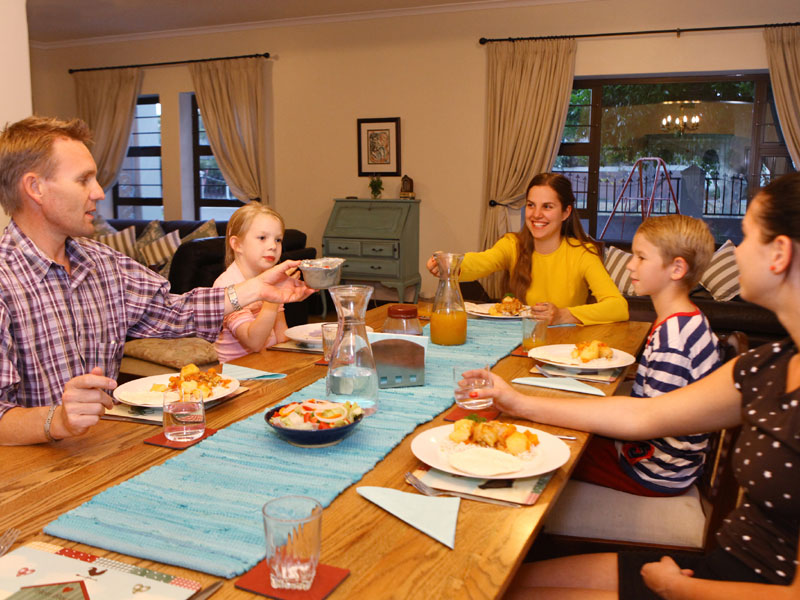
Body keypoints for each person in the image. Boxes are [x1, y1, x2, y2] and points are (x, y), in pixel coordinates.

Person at [467, 172, 800, 598]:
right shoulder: (767, 365)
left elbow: (644, 424)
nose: (734, 252)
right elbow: (645, 413)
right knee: (504, 584)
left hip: (703, 568)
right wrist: (518, 400)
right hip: (718, 560)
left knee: (541, 460)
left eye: (747, 236)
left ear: (780, 254)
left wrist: (677, 589)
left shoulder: (685, 335)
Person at [0, 116, 313, 446]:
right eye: (83, 180)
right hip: (29, 476)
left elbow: (174, 311)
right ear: (35, 188)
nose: (99, 192)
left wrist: (257, 288)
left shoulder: (103, 263)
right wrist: (57, 419)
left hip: (106, 448)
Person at [572, 214, 721, 497]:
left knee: (560, 449)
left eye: (641, 257)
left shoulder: (673, 339)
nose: (630, 264)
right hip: (661, 458)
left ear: (677, 268)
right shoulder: (683, 319)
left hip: (653, 468)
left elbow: (643, 424)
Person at [426, 173, 628, 325]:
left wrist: (563, 315)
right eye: (531, 205)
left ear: (566, 212)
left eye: (547, 207)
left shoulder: (583, 254)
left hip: (565, 345)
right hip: (519, 343)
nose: (536, 214)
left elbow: (618, 307)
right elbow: (481, 262)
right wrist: (448, 264)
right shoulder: (512, 244)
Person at [214, 202, 289, 362]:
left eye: (278, 240)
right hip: (238, 372)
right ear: (237, 244)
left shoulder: (271, 278)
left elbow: (281, 332)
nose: (272, 246)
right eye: (262, 238)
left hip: (268, 362)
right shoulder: (227, 286)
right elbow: (253, 342)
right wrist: (273, 300)